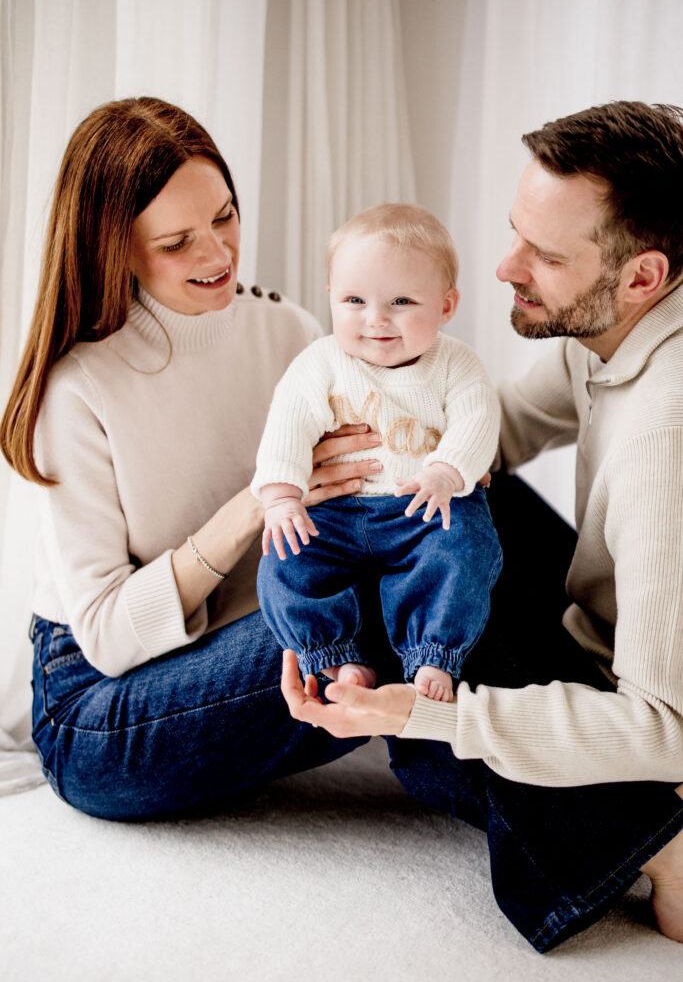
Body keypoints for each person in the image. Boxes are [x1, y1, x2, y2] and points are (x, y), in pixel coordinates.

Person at [281, 101, 683, 951]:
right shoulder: (612, 327)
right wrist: (351, 448)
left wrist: (431, 716)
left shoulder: (665, 441)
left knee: (419, 683)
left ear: (641, 275)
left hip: (653, 718)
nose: (506, 267)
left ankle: (658, 839)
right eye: (514, 234)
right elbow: (492, 430)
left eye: (543, 254)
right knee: (432, 527)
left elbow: (665, 731)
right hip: (612, 634)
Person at [0, 96, 388, 821]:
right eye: (176, 242)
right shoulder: (78, 386)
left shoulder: (287, 332)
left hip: (240, 645)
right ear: (112, 246)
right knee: (398, 603)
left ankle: (624, 788)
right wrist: (254, 503)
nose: (217, 255)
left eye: (224, 217)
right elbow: (111, 638)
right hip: (99, 707)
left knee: (465, 535)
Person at [252, 203, 502, 702]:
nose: (376, 319)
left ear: (446, 306)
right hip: (337, 515)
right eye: (354, 300)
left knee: (465, 546)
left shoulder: (455, 364)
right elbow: (288, 426)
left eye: (402, 301)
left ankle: (433, 654)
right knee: (283, 559)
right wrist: (282, 497)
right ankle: (336, 657)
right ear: (330, 297)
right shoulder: (320, 362)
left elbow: (478, 420)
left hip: (422, 507)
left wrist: (447, 474)